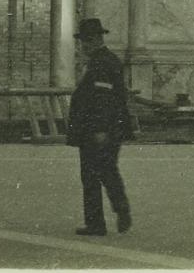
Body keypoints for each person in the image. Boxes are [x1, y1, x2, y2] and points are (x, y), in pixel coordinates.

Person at [65, 17, 135, 237]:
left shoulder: (101, 63)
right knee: (106, 171)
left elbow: (103, 99)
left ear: (96, 39)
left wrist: (100, 129)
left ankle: (100, 222)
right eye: (82, 40)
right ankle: (117, 211)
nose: (83, 45)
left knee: (94, 175)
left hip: (98, 130)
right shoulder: (104, 60)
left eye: (86, 40)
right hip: (102, 129)